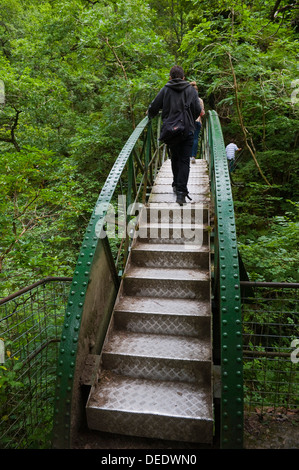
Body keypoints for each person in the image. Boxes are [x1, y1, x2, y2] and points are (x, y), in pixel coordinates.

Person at [147, 65, 201, 205]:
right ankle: (181, 194)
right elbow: (197, 110)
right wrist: (189, 121)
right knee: (184, 160)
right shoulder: (191, 90)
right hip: (187, 130)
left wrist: (150, 114)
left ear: (170, 77)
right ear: (183, 78)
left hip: (171, 131)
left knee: (174, 158)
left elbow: (154, 107)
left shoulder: (166, 89)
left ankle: (176, 184)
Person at [190, 81, 205, 164]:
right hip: (197, 121)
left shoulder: (187, 99)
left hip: (188, 122)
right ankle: (193, 156)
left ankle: (187, 156)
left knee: (188, 138)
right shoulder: (200, 100)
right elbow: (202, 113)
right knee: (195, 138)